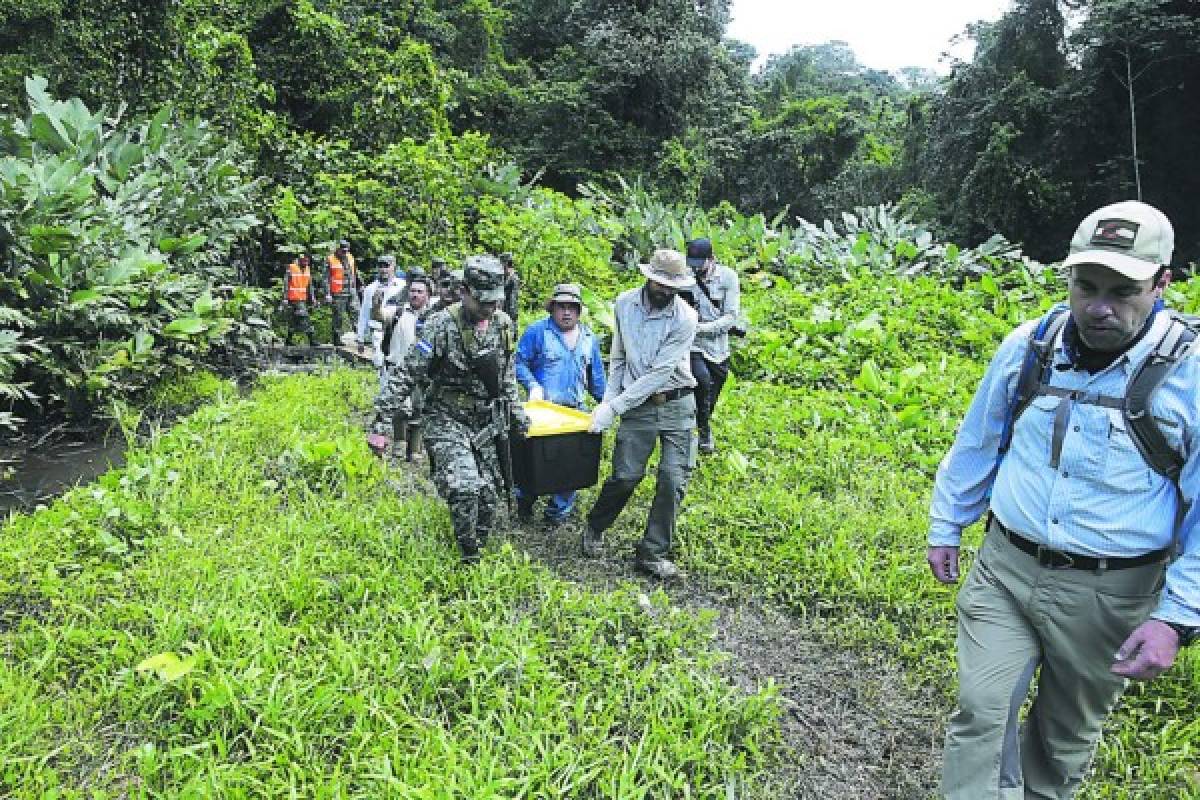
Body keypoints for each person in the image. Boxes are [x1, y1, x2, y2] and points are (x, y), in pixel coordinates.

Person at [927, 200, 1199, 800]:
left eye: (1122, 291)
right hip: (1006, 567)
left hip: (1111, 593)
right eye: (1086, 285)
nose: (1099, 307)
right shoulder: (1032, 345)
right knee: (980, 711)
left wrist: (1177, 619)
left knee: (1062, 739)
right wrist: (948, 523)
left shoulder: (1191, 377)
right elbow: (979, 439)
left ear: (1162, 283)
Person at [394, 256, 530, 563]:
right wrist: (380, 421)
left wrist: (517, 415)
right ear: (464, 291)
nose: (488, 309)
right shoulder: (440, 325)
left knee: (489, 496)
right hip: (446, 416)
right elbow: (408, 373)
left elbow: (505, 375)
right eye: (482, 302)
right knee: (465, 487)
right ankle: (468, 556)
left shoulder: (503, 324)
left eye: (494, 302)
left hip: (485, 420)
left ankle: (476, 542)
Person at [582, 249, 698, 579]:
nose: (666, 291)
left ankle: (652, 552)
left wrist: (615, 407)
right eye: (661, 284)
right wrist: (608, 400)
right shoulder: (624, 304)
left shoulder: (685, 318)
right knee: (625, 475)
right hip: (638, 406)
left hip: (677, 402)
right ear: (648, 278)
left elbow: (660, 373)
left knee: (673, 479)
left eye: (672, 286)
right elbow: (618, 358)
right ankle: (595, 525)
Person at [514, 282, 607, 527]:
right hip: (542, 412)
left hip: (574, 412)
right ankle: (524, 502)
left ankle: (556, 514)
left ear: (579, 311)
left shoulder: (588, 338)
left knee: (571, 466)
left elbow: (596, 377)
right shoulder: (537, 332)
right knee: (534, 464)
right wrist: (533, 385)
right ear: (552, 309)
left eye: (572, 308)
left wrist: (606, 405)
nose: (566, 313)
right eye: (561, 307)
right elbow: (519, 362)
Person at [683, 237, 741, 454]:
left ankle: (703, 423)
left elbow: (731, 317)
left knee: (713, 391)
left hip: (718, 347)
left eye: (700, 265)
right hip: (694, 345)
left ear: (711, 259)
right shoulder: (687, 278)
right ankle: (701, 431)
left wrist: (703, 328)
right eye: (692, 265)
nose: (696, 270)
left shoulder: (728, 278)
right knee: (701, 381)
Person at [373, 274, 436, 462]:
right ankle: (399, 444)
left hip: (422, 373)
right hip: (396, 367)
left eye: (419, 292)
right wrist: (376, 305)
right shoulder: (399, 312)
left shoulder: (433, 318)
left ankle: (415, 451)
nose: (415, 295)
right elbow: (379, 315)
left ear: (427, 295)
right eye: (412, 291)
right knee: (399, 408)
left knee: (419, 409)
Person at [357, 256, 405, 365]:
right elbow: (364, 313)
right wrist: (360, 338)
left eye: (387, 266)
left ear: (394, 267)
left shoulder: (402, 286)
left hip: (397, 331)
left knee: (397, 363)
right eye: (381, 266)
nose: (383, 270)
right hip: (377, 331)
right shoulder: (370, 289)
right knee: (379, 364)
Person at [325, 238, 360, 346]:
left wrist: (359, 284)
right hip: (338, 293)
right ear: (338, 249)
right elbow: (325, 278)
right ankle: (337, 339)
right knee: (338, 317)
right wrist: (327, 293)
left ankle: (360, 336)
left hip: (351, 290)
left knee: (356, 312)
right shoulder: (330, 259)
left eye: (346, 250)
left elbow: (355, 272)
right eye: (343, 251)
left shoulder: (350, 257)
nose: (345, 253)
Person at [279, 254, 317, 346]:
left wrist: (313, 298)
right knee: (305, 318)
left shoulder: (307, 269)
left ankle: (288, 340)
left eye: (307, 261)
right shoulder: (292, 268)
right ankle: (311, 339)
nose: (306, 263)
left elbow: (309, 285)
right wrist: (285, 298)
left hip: (302, 298)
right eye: (304, 261)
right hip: (293, 298)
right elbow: (286, 284)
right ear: (299, 260)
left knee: (294, 320)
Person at [500, 251, 520, 323]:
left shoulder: (513, 278)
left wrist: (512, 317)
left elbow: (513, 299)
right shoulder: (504, 277)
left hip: (509, 314)